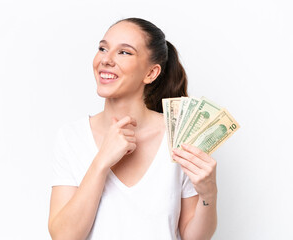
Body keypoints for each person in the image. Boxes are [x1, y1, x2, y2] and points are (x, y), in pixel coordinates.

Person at [48, 17, 217, 240]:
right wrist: (101, 161)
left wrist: (209, 194)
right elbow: (64, 236)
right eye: (102, 48)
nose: (106, 59)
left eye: (124, 52)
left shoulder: (179, 137)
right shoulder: (71, 137)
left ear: (151, 73)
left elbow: (193, 237)